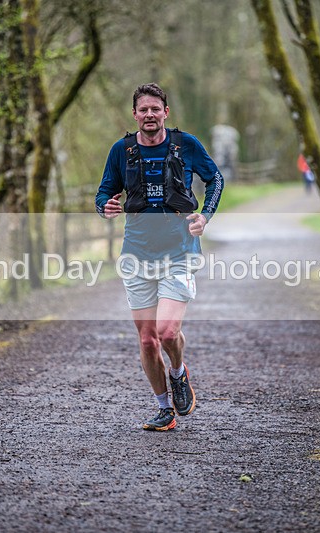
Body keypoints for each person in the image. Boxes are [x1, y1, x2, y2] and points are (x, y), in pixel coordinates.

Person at [95, 83, 224, 431]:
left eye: (155, 109)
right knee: (146, 337)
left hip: (179, 252)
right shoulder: (121, 151)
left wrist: (204, 215)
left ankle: (179, 372)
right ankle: (163, 409)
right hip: (136, 253)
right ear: (134, 115)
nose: (149, 115)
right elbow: (105, 191)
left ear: (166, 112)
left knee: (167, 332)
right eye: (143, 110)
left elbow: (216, 179)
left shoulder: (187, 145)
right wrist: (104, 206)